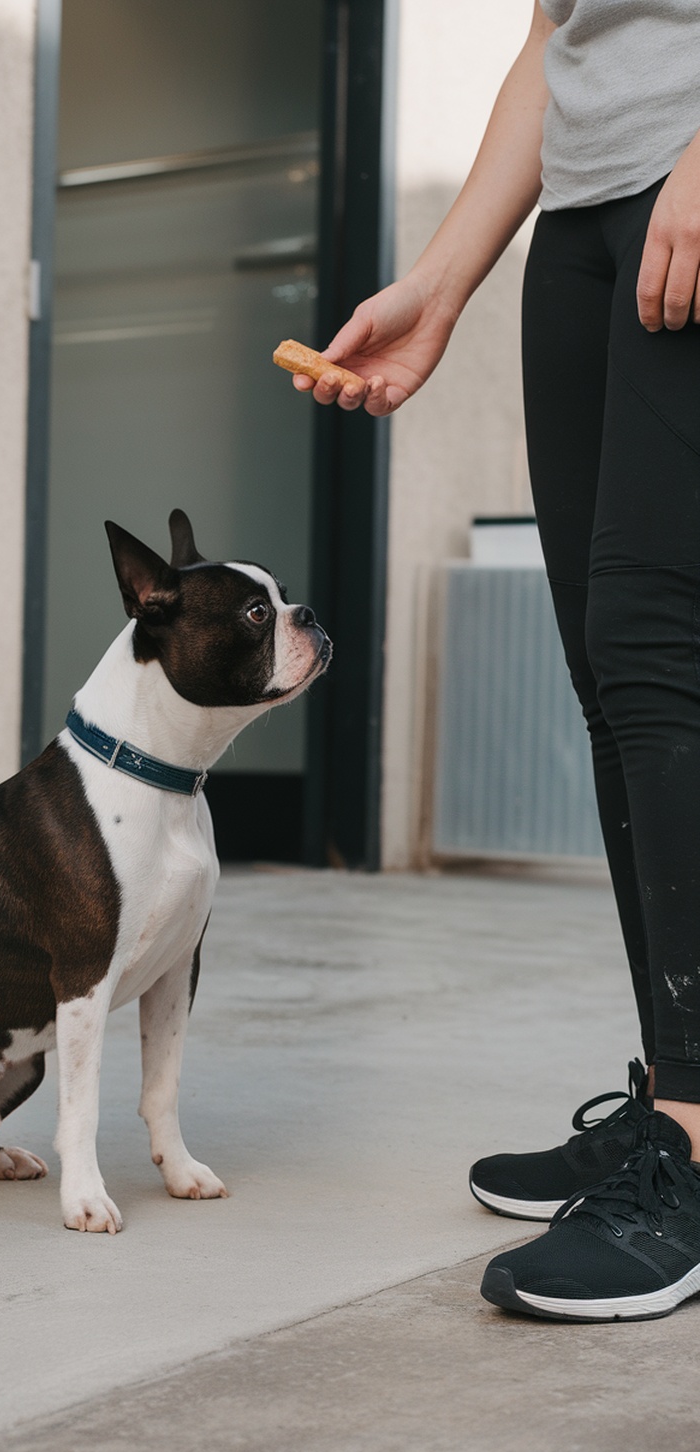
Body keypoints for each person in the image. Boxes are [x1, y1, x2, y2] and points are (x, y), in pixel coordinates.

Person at [295, 0, 700, 1322]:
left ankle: (696, 1137)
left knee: (658, 649)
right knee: (608, 663)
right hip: (586, 212)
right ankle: (675, 1088)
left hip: (689, 169)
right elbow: (556, 36)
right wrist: (443, 280)